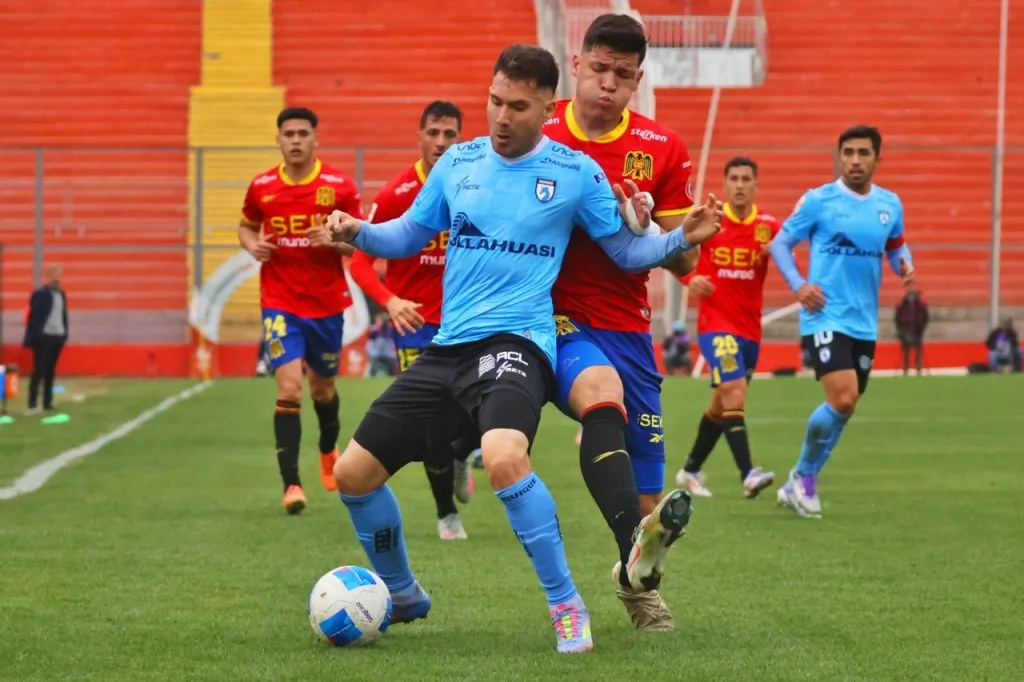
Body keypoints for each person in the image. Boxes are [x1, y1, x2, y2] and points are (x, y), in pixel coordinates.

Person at [310, 44, 721, 654]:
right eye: (495, 101)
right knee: (352, 475)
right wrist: (357, 232)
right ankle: (401, 593)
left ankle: (566, 604)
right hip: (448, 350)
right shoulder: (459, 162)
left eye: (518, 107)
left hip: (519, 344)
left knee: (504, 456)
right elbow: (406, 235)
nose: (501, 117)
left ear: (545, 108)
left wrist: (676, 239)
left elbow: (627, 252)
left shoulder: (576, 172)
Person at [543, 13, 698, 631]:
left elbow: (684, 259)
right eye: (599, 68)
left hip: (628, 322)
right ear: (576, 64)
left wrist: (657, 220)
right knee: (598, 394)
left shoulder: (663, 148)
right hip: (552, 315)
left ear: (638, 80)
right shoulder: (541, 127)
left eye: (623, 75)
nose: (608, 83)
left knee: (648, 503)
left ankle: (633, 582)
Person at [770, 125, 915, 519]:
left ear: (876, 159)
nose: (854, 160)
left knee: (846, 408)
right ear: (839, 156)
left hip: (864, 322)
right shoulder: (820, 200)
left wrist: (905, 264)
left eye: (863, 153)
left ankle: (799, 479)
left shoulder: (889, 205)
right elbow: (780, 242)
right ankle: (803, 479)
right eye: (847, 152)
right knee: (843, 398)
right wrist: (799, 286)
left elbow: (896, 243)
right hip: (824, 316)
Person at [349, 100, 477, 541]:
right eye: (434, 133)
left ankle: (465, 452)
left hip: (470, 322)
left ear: (461, 137)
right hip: (416, 326)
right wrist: (391, 300)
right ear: (420, 136)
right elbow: (361, 262)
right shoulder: (397, 194)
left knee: (488, 411)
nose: (441, 143)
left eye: (450, 134)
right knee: (433, 425)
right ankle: (446, 513)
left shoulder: (476, 184)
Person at [238, 107, 363, 514]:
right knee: (289, 388)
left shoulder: (339, 187)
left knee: (322, 391)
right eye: (288, 134)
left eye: (302, 134)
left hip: (326, 304)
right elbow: (246, 225)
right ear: (278, 139)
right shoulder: (262, 187)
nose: (295, 140)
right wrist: (251, 244)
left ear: (315, 140)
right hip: (280, 302)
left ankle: (328, 448)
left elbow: (359, 244)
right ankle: (291, 484)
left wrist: (332, 241)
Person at [675, 157, 777, 499]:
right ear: (725, 182)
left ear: (756, 184)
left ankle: (689, 471)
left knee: (722, 405)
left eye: (746, 178)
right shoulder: (711, 222)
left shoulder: (768, 226)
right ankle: (748, 473)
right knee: (734, 389)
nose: (739, 184)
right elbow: (673, 251)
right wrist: (691, 279)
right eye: (733, 178)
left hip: (750, 331)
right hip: (715, 326)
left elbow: (789, 253)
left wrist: (779, 252)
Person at [24, 265, 69, 418]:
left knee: (50, 371)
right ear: (48, 275)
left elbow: (63, 315)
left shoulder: (61, 294)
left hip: (57, 336)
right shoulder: (41, 294)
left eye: (60, 274)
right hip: (44, 337)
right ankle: (32, 404)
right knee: (39, 370)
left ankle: (47, 402)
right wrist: (33, 337)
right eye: (56, 274)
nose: (58, 277)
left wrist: (64, 333)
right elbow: (34, 317)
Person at [895, 288, 928, 375]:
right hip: (905, 329)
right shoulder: (902, 304)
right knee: (906, 351)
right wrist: (900, 329)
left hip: (917, 329)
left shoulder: (920, 304)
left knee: (918, 351)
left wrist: (922, 327)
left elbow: (925, 317)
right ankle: (905, 370)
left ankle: (919, 369)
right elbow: (897, 318)